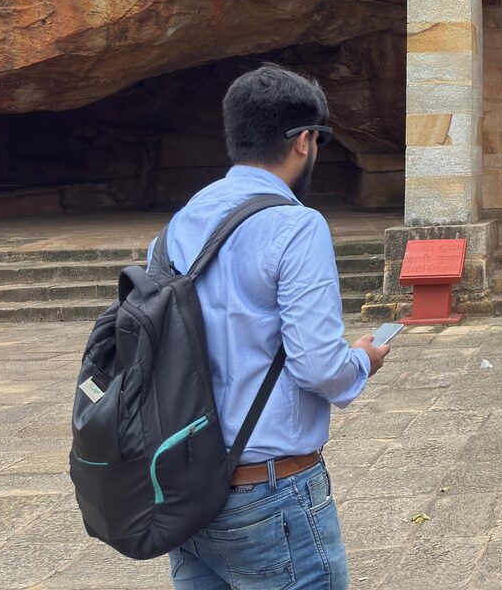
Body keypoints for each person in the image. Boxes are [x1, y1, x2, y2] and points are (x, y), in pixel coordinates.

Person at [156, 64, 389, 590]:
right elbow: (318, 365)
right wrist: (362, 361)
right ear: (304, 141)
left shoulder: (177, 227)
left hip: (189, 489)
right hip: (272, 492)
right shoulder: (295, 225)